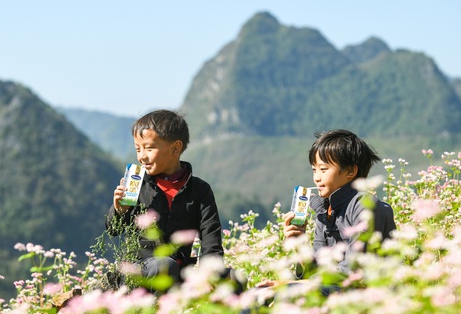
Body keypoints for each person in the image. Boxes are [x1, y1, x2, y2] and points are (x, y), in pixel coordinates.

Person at [105, 109, 233, 291]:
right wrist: (119, 210)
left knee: (234, 278)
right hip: (141, 273)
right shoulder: (136, 185)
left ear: (175, 148)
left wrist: (209, 274)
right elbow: (112, 230)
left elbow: (211, 238)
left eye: (149, 148)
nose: (142, 156)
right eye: (138, 149)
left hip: (181, 274)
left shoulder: (199, 190)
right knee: (165, 265)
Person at [257, 129, 397, 289]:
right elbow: (316, 271)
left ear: (351, 171)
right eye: (314, 170)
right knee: (259, 294)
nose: (317, 177)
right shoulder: (324, 210)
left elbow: (352, 273)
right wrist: (298, 244)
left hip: (367, 295)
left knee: (280, 294)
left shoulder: (365, 206)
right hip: (333, 291)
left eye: (323, 170)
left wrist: (289, 284)